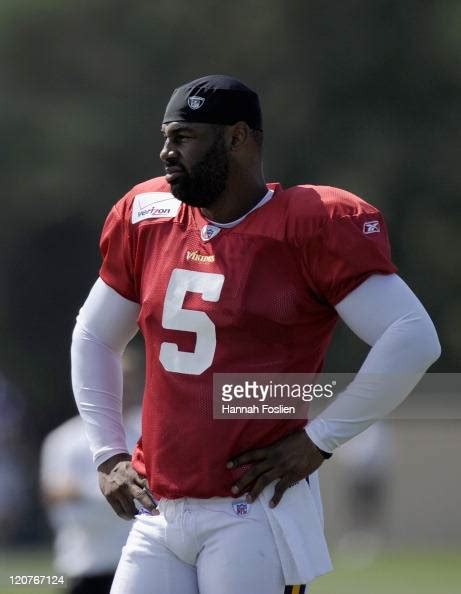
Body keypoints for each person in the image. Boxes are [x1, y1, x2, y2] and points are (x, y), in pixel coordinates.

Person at [71, 75, 441, 594]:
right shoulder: (148, 215)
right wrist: (108, 453)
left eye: (183, 137)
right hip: (159, 508)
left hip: (253, 512)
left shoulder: (311, 224)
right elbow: (93, 336)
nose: (166, 153)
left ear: (237, 137)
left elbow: (413, 336)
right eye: (165, 137)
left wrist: (320, 440)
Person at [41, 344, 143, 594]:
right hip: (88, 563)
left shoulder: (149, 432)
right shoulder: (65, 439)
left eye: (129, 380)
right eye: (117, 380)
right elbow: (57, 495)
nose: (124, 389)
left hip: (141, 560)